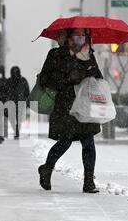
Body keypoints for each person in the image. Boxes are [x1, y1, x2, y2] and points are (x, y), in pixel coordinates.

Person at [37, 28, 102, 194]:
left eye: (82, 36)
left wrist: (90, 71)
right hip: (65, 105)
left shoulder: (89, 53)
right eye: (76, 35)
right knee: (65, 141)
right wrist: (66, 78)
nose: (80, 39)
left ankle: (89, 181)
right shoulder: (56, 55)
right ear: (68, 37)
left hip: (85, 104)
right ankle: (47, 169)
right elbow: (45, 79)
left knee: (88, 142)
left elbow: (99, 77)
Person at [6, 66, 30, 139]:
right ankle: (16, 130)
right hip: (13, 102)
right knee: (12, 118)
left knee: (17, 118)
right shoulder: (10, 81)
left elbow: (27, 92)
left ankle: (16, 131)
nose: (15, 73)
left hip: (20, 102)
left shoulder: (22, 80)